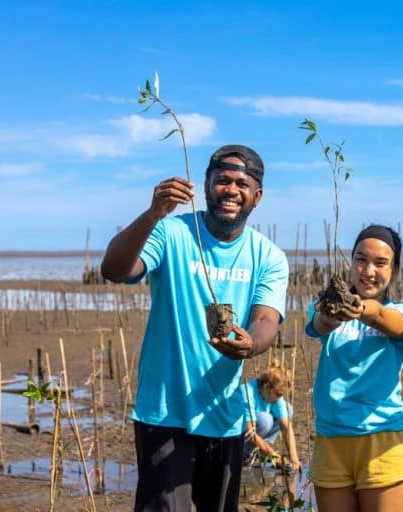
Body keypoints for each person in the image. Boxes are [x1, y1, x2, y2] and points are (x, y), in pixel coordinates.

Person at [100, 144, 288, 512]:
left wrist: (250, 344)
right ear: (205, 185)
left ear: (257, 196)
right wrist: (153, 213)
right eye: (222, 180)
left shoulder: (269, 256)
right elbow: (114, 269)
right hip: (164, 413)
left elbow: (266, 321)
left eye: (241, 183)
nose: (231, 190)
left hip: (226, 416)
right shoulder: (170, 232)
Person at [306, 225, 403, 512]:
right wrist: (333, 314)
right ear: (351, 263)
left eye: (381, 263)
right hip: (330, 440)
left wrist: (361, 309)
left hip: (382, 440)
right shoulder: (324, 308)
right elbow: (320, 324)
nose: (368, 270)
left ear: (395, 270)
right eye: (361, 259)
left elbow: (387, 319)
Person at [240, 362, 301, 472]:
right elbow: (251, 434)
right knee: (265, 420)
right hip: (241, 438)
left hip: (258, 433)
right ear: (266, 387)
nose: (278, 399)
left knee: (289, 409)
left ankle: (263, 451)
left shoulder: (274, 393)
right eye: (277, 395)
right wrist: (275, 458)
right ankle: (247, 453)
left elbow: (286, 428)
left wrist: (294, 458)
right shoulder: (247, 393)